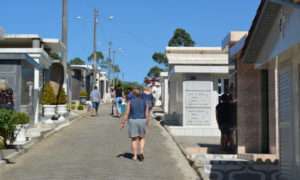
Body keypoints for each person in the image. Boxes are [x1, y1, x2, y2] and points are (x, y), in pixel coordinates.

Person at [120, 87, 150, 161]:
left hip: (133, 120)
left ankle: (135, 156)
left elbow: (127, 113)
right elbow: (147, 113)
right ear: (141, 94)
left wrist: (123, 122)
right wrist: (148, 122)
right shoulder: (145, 101)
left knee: (134, 139)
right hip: (142, 120)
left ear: (133, 94)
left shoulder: (130, 102)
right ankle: (141, 152)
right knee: (142, 138)